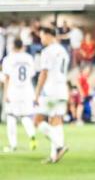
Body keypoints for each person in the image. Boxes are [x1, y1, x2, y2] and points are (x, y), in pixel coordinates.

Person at [35, 27, 70, 164]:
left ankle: (60, 145)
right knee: (56, 121)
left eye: (42, 36)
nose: (41, 39)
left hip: (51, 90)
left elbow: (44, 73)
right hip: (62, 89)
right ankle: (54, 156)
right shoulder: (63, 51)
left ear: (49, 36)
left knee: (37, 121)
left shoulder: (48, 52)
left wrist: (37, 92)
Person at [2, 39, 37, 152]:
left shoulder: (8, 59)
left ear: (13, 45)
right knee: (26, 116)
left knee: (11, 116)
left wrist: (6, 93)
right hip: (27, 90)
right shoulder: (29, 58)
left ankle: (13, 145)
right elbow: (32, 74)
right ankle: (32, 135)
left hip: (14, 89)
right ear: (22, 46)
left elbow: (7, 77)